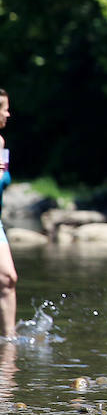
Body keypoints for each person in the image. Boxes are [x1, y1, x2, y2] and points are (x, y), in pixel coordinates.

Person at [0, 89, 16, 338]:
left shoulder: (0, 143)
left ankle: (9, 343)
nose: (8, 114)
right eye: (3, 108)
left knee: (8, 279)